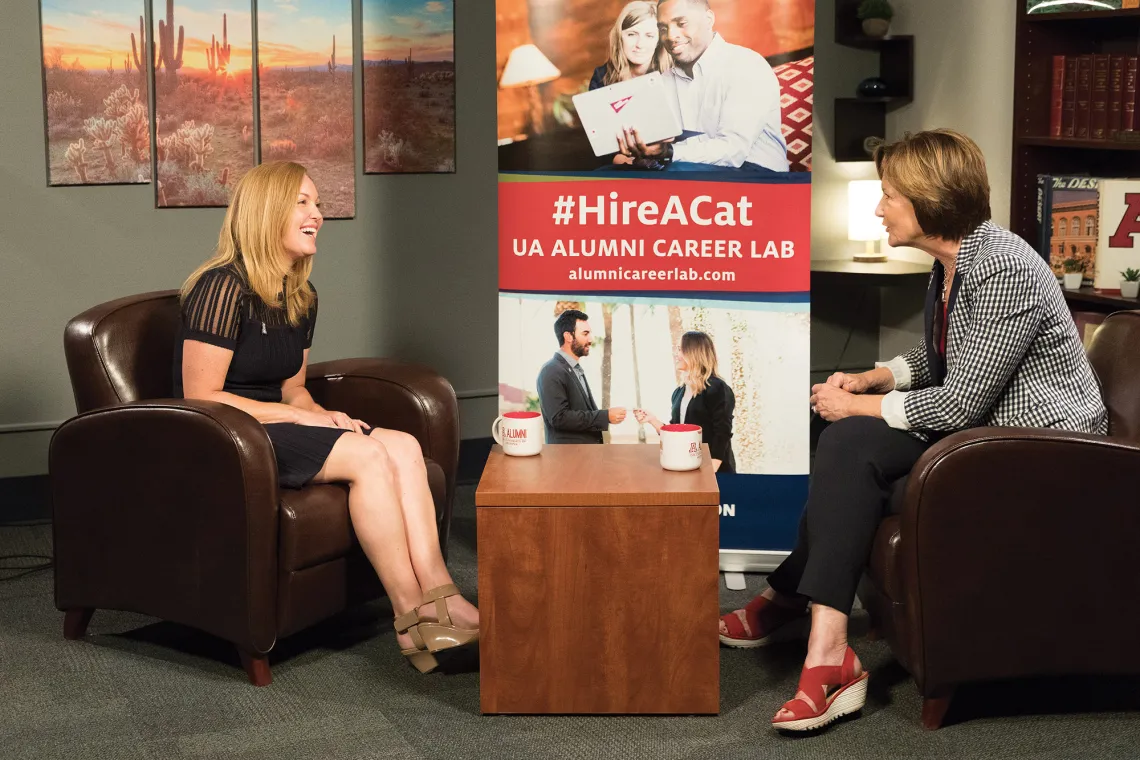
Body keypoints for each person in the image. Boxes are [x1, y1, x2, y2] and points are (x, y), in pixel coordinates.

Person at [718, 129, 1107, 733]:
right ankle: (824, 643)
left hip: (1039, 454)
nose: (878, 209)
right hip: (984, 436)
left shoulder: (1002, 265)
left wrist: (859, 408)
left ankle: (797, 608)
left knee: (851, 450)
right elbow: (940, 354)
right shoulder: (953, 261)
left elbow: (958, 402)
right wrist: (873, 377)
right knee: (849, 448)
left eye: (889, 195)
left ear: (930, 198)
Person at [173, 161, 478, 675]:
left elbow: (293, 390)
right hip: (228, 434)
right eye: (304, 203)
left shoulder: (301, 296)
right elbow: (202, 396)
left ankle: (438, 594)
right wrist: (296, 420)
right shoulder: (220, 287)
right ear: (267, 211)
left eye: (318, 203)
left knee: (400, 443)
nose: (318, 214)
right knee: (367, 456)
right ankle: (410, 618)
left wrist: (323, 414)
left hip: (276, 423)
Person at [615, 0, 788, 172]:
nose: (670, 36)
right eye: (663, 29)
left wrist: (669, 153)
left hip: (759, 176)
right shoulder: (664, 82)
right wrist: (647, 154)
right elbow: (664, 148)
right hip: (688, 170)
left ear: (708, 19)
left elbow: (733, 150)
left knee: (673, 174)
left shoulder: (746, 64)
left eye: (681, 23)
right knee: (608, 174)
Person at [634, 330, 736, 473]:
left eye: (680, 349)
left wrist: (710, 471)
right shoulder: (679, 392)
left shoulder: (718, 388)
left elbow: (722, 433)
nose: (676, 354)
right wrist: (652, 420)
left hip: (715, 471)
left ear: (693, 352)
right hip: (689, 466)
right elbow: (677, 431)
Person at [536, 309, 626, 443]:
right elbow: (559, 417)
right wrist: (605, 416)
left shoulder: (575, 369)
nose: (590, 339)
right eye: (585, 334)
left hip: (583, 457)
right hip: (568, 459)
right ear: (568, 336)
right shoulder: (551, 370)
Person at [589, 1, 672, 91]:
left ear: (659, 41)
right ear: (620, 36)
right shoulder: (601, 77)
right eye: (632, 34)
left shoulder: (678, 75)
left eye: (649, 36)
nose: (639, 44)